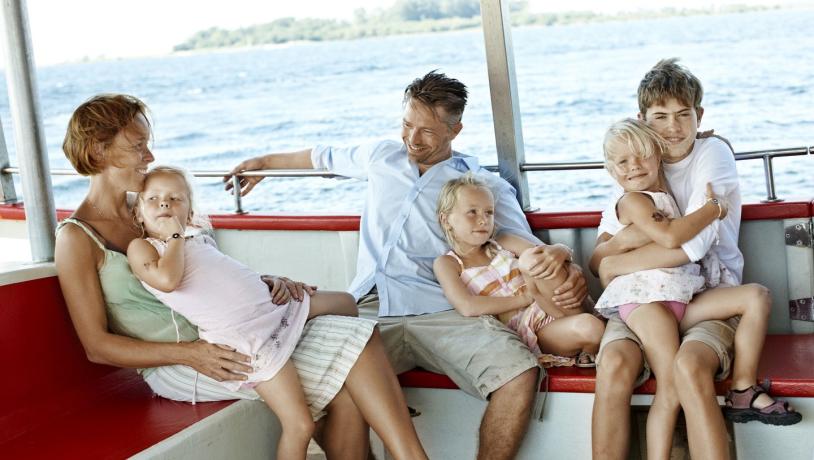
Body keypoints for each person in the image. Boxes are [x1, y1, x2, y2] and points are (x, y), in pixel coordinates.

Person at [225, 71, 590, 459]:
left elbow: (529, 247)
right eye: (406, 124)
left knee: (519, 373)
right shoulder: (381, 156)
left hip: (444, 312)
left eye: (427, 131)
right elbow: (321, 156)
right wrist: (262, 162)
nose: (412, 139)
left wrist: (566, 258)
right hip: (368, 308)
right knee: (334, 384)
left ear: (455, 130)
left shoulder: (480, 185)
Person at [55, 94, 427, 460]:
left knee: (358, 340)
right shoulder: (78, 238)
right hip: (181, 361)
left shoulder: (153, 205)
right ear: (99, 151)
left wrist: (264, 281)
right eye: (138, 147)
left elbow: (205, 273)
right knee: (348, 375)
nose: (150, 157)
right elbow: (97, 346)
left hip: (236, 332)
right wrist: (190, 354)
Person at [127, 165, 427, 459]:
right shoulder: (144, 247)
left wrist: (271, 279)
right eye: (153, 199)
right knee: (300, 425)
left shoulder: (199, 238)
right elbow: (168, 280)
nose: (164, 203)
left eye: (175, 198)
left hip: (272, 308)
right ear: (139, 212)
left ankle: (376, 397)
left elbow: (225, 278)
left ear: (189, 212)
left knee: (347, 302)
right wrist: (175, 237)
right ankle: (372, 400)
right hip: (249, 339)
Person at [590, 59, 800, 460]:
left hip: (706, 293)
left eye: (683, 115)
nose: (672, 127)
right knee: (614, 363)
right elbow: (600, 255)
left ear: (698, 116)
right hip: (644, 296)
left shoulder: (711, 153)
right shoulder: (636, 167)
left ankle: (738, 395)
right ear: (643, 120)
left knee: (687, 368)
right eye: (660, 117)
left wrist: (617, 261)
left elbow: (692, 248)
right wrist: (615, 256)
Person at [434, 173, 603, 367]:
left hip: (555, 303)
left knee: (531, 259)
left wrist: (562, 249)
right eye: (472, 212)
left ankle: (590, 343)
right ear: (446, 220)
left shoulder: (503, 242)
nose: (483, 220)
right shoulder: (448, 263)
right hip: (533, 331)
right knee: (591, 327)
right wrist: (524, 299)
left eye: (488, 212)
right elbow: (467, 306)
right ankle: (590, 347)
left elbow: (547, 257)